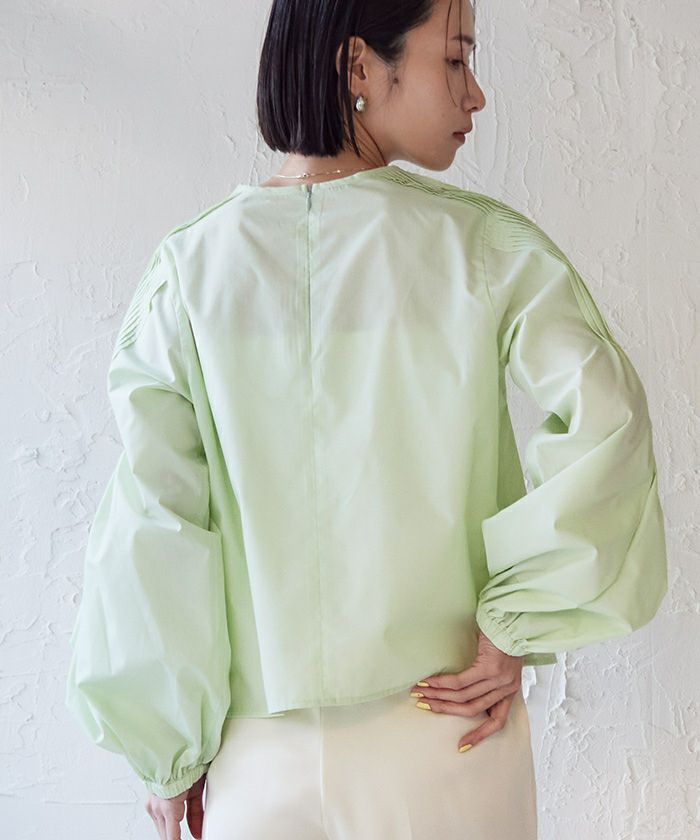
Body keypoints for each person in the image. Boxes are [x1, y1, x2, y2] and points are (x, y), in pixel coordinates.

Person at [65, 0, 669, 838]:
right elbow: (609, 421)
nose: (476, 93)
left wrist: (166, 753)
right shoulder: (482, 249)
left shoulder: (189, 272)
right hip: (448, 732)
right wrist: (514, 623)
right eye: (455, 59)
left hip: (257, 760)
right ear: (358, 66)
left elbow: (155, 518)